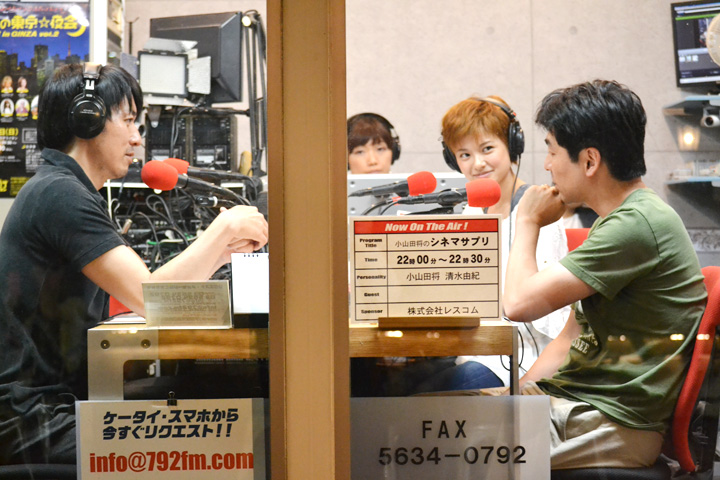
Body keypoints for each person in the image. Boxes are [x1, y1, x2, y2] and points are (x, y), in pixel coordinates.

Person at [0, 63, 268, 465]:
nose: (137, 138)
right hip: (32, 421)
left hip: (52, 405)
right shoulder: (59, 194)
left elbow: (156, 297)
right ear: (87, 119)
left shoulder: (64, 187)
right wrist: (223, 228)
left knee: (213, 405)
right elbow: (152, 298)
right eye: (128, 121)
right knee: (215, 441)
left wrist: (222, 251)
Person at [502, 79, 706, 469]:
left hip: (609, 422)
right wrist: (518, 395)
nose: (547, 165)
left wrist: (526, 221)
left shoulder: (637, 224)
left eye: (553, 151)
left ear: (590, 161)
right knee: (432, 417)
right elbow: (569, 338)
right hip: (576, 406)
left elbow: (517, 304)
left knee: (427, 442)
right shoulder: (617, 221)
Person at [440, 96, 570, 387]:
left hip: (524, 357)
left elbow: (543, 308)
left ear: (511, 145)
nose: (478, 163)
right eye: (464, 155)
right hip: (473, 350)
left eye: (487, 149)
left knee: (443, 389)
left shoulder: (540, 209)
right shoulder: (471, 212)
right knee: (398, 382)